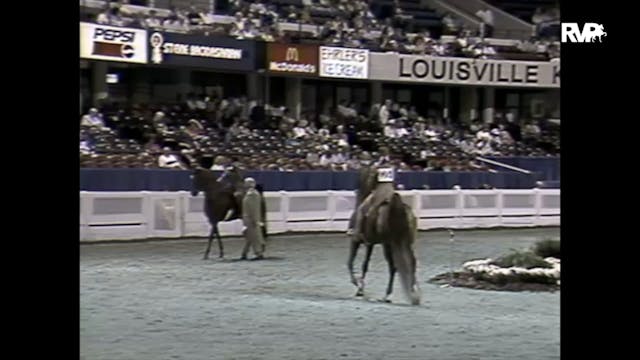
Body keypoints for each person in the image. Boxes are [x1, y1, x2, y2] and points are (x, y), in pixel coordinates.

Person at [350, 165, 397, 244]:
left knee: (361, 209)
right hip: (391, 193)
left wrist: (370, 189)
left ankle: (358, 233)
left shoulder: (376, 170)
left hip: (380, 194)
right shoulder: (391, 169)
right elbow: (395, 183)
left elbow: (371, 183)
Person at [241, 177, 265, 260]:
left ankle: (258, 253)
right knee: (249, 236)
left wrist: (255, 220)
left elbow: (253, 208)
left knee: (254, 236)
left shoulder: (252, 194)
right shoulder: (250, 193)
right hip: (248, 218)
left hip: (250, 219)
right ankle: (244, 252)